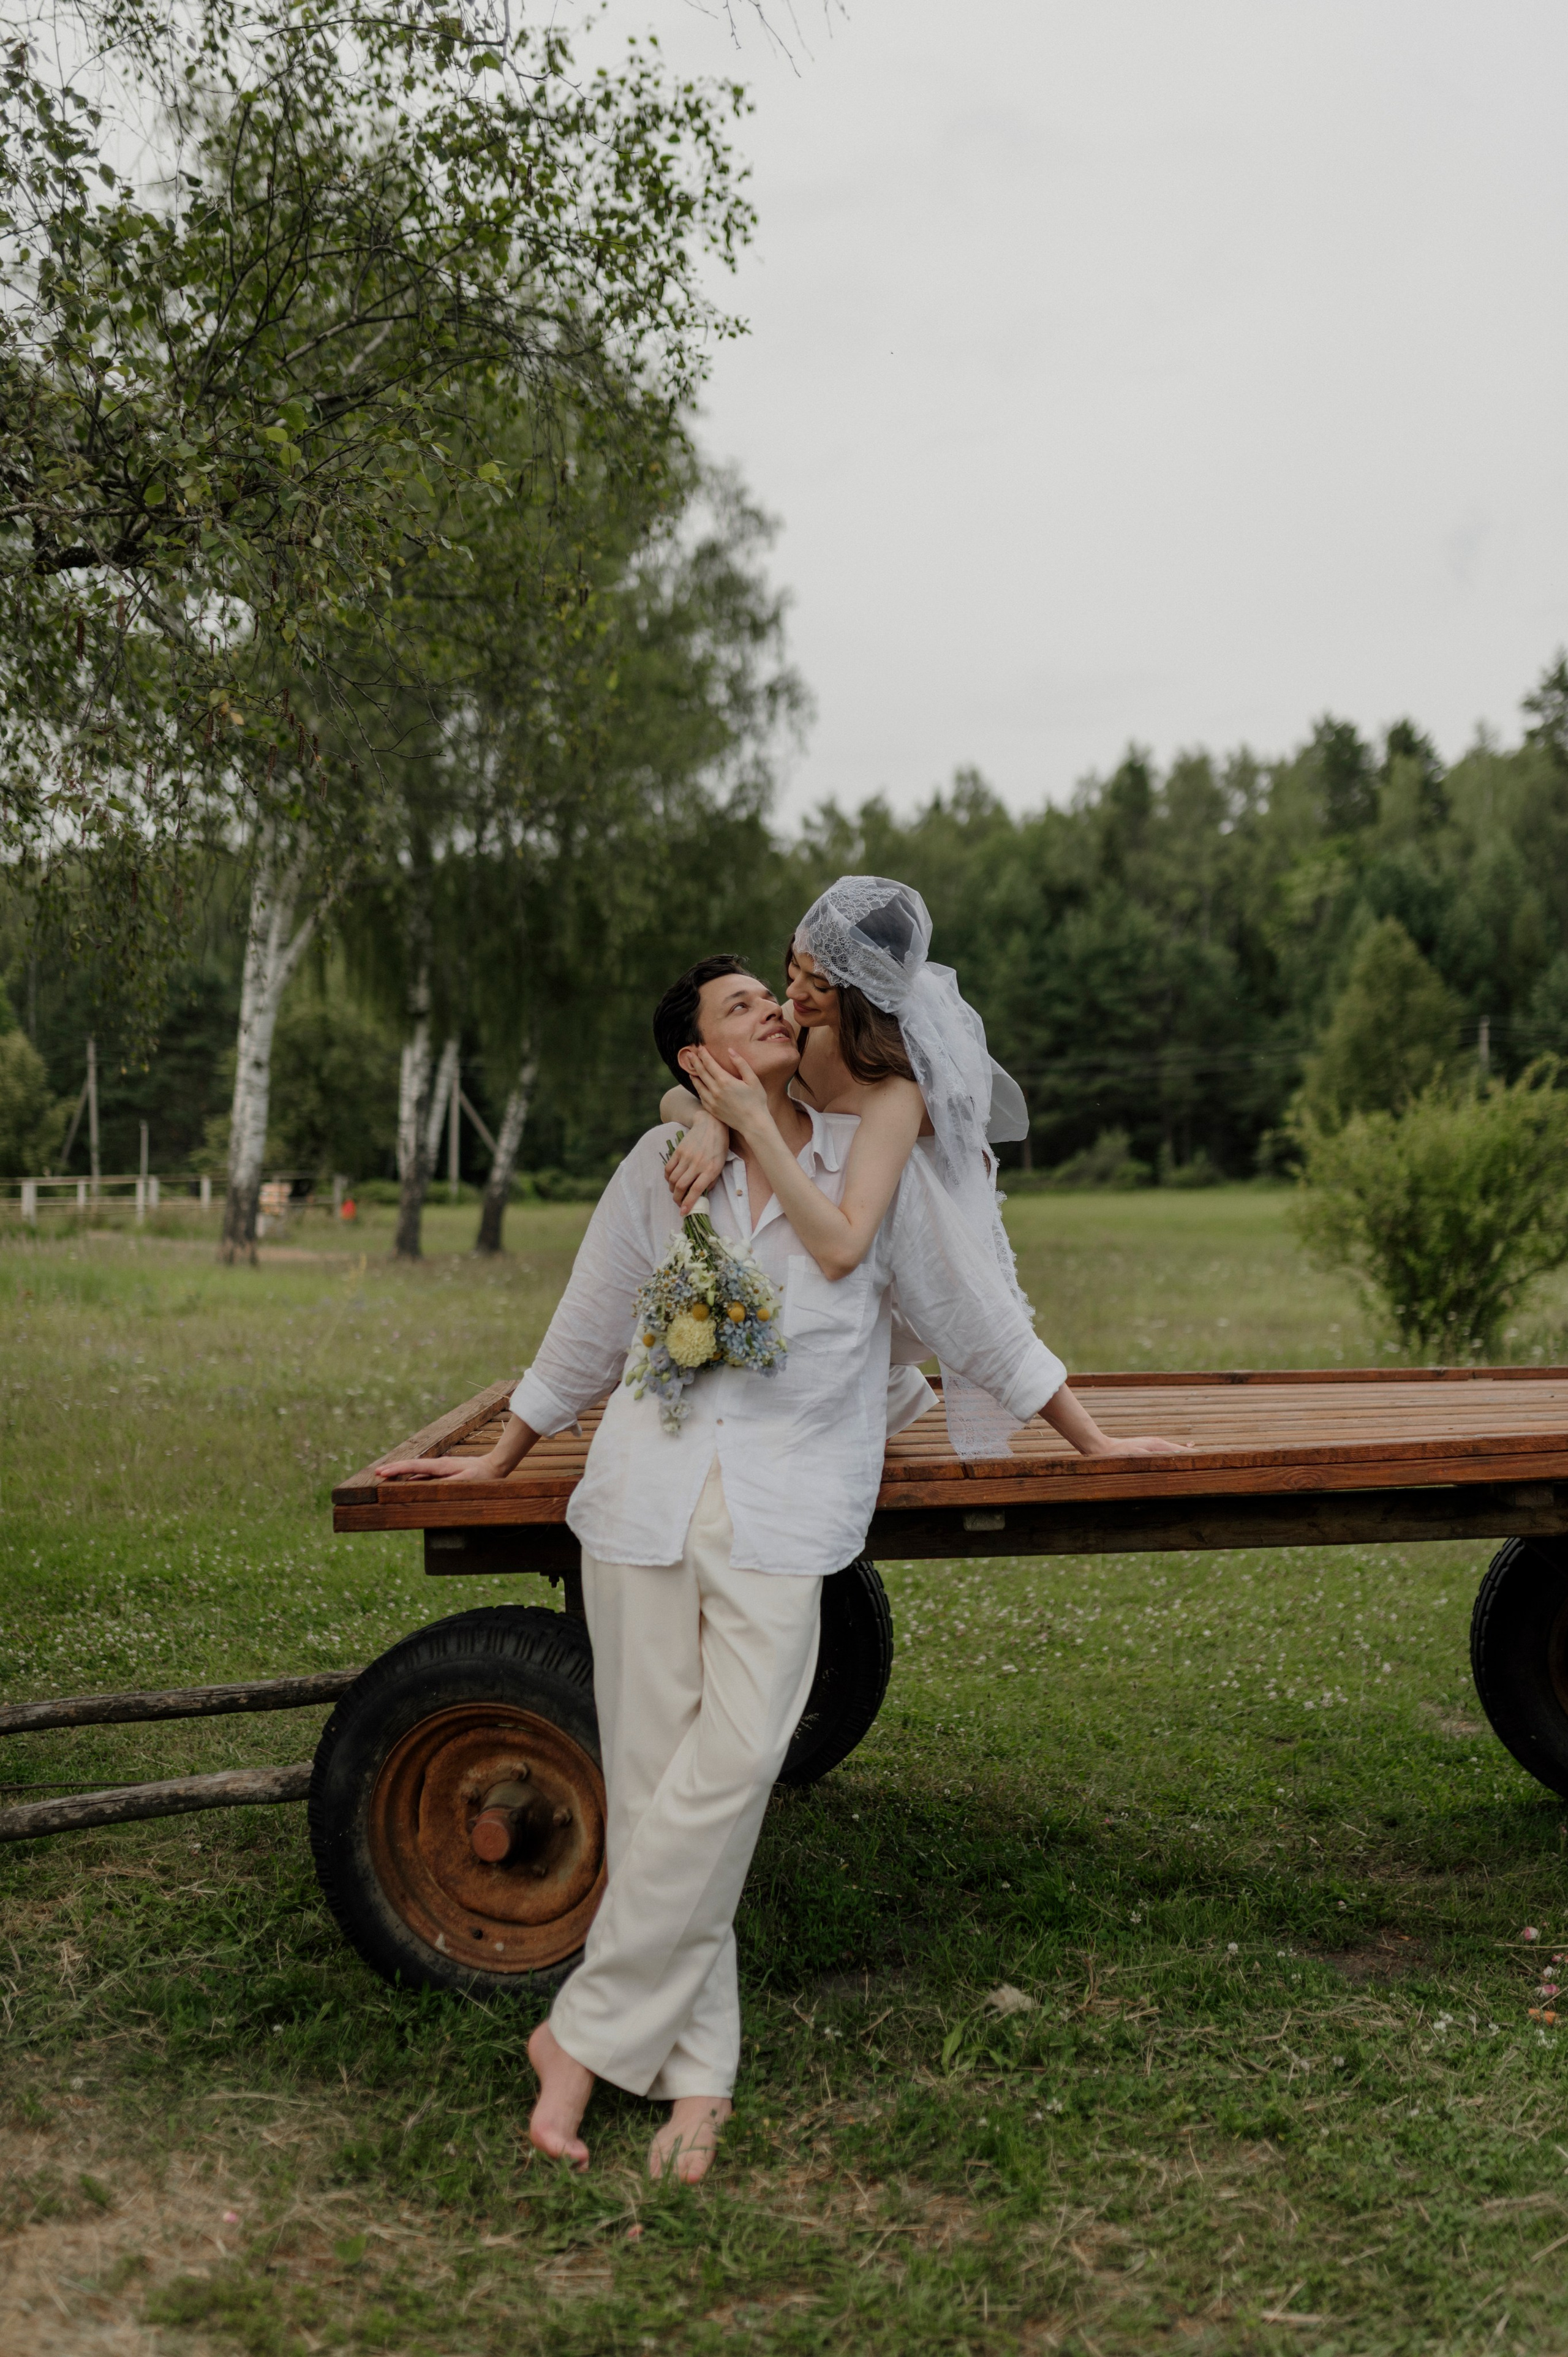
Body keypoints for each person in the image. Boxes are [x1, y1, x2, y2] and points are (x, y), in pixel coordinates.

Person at [382, 954, 1187, 2186]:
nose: (770, 1006)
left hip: (787, 1509)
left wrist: (1093, 1439)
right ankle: (698, 2079)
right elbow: (588, 1326)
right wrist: (497, 1459)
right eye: (738, 1004)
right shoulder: (663, 1166)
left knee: (738, 1764)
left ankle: (580, 2032)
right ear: (695, 1057)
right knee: (654, 1788)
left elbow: (974, 1314)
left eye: (773, 995)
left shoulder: (863, 1164)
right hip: (643, 1502)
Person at [661, 875, 1035, 1456]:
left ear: (865, 993)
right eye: (794, 969)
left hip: (897, 1249)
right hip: (820, 1218)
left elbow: (850, 1243)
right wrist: (710, 1119)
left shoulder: (897, 1086)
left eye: (819, 983)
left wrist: (751, 1123)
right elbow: (673, 1096)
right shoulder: (799, 1024)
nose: (792, 995)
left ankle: (865, 1397)